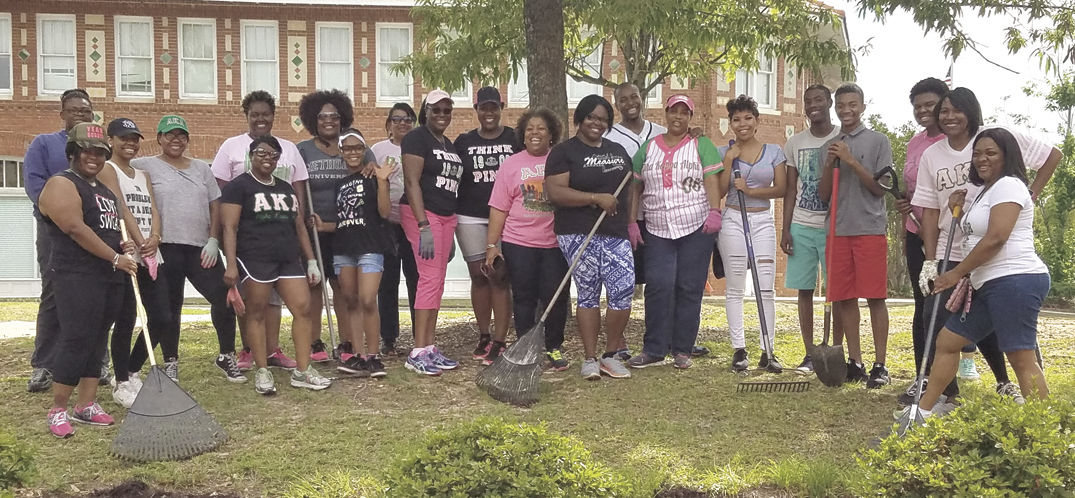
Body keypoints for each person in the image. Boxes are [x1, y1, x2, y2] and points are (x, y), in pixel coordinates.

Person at [912, 87, 1061, 402]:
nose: (981, 159)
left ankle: (1044, 430)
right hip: (981, 273)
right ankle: (928, 409)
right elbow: (954, 223)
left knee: (1020, 354)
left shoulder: (1007, 181)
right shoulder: (980, 189)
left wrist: (956, 273)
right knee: (948, 339)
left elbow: (996, 238)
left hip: (1011, 277)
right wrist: (952, 219)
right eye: (978, 154)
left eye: (990, 154)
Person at [38, 122, 138, 438]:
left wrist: (123, 246)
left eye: (99, 152)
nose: (93, 157)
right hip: (75, 275)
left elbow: (108, 229)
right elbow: (75, 229)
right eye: (87, 151)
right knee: (76, 337)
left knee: (98, 338)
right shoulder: (61, 183)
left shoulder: (104, 191)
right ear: (73, 152)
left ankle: (86, 405)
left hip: (108, 275)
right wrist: (114, 257)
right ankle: (58, 409)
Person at [132, 115, 243, 382]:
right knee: (171, 308)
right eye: (169, 134)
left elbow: (215, 204)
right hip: (164, 247)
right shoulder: (143, 166)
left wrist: (213, 240)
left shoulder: (201, 169)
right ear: (158, 138)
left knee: (224, 297)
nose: (175, 140)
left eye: (181, 135)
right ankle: (171, 360)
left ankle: (226, 354)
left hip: (199, 248)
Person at [220, 135, 332, 395]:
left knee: (302, 308)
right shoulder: (239, 186)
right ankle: (262, 370)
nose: (267, 158)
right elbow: (230, 226)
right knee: (256, 312)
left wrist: (312, 261)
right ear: (251, 156)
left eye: (273, 155)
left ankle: (303, 370)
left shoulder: (286, 187)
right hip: (254, 258)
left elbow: (299, 226)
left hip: (288, 257)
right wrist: (231, 264)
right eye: (261, 153)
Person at [211, 90, 310, 370]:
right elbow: (218, 191)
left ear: (273, 116)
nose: (260, 119)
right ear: (247, 116)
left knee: (277, 299)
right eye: (254, 114)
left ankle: (272, 349)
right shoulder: (231, 146)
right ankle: (249, 349)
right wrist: (217, 235)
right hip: (248, 237)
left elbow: (299, 191)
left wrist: (300, 227)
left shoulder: (289, 148)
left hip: (282, 234)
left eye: (265, 114)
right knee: (253, 298)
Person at [625, 95, 723, 370]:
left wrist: (715, 210)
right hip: (658, 227)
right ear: (665, 114)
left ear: (690, 117)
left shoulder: (701, 144)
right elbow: (636, 187)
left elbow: (711, 178)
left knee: (689, 287)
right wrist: (632, 221)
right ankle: (654, 348)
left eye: (684, 113)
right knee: (658, 285)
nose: (678, 117)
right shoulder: (648, 148)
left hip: (696, 225)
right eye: (674, 112)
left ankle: (683, 349)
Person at [24, 89, 108, 392]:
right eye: (74, 111)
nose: (80, 115)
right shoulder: (45, 144)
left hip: (95, 231)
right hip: (55, 232)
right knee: (54, 293)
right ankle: (45, 364)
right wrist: (62, 218)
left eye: (86, 111)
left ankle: (97, 363)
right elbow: (35, 185)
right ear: (62, 114)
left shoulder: (98, 148)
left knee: (98, 295)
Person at [546, 94, 634, 381]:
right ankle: (589, 358)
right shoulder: (564, 152)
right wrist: (596, 198)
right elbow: (555, 192)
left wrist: (629, 222)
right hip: (577, 232)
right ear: (580, 119)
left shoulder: (619, 150)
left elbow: (630, 188)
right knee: (588, 293)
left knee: (622, 290)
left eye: (603, 119)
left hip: (615, 232)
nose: (597, 123)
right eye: (591, 117)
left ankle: (610, 355)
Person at [818, 83, 894, 388]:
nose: (846, 110)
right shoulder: (830, 145)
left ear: (862, 107)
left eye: (852, 104)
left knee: (875, 297)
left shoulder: (878, 141)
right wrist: (830, 163)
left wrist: (851, 161)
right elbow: (824, 196)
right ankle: (856, 361)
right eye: (841, 105)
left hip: (869, 229)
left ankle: (880, 364)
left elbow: (880, 188)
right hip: (837, 232)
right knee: (845, 298)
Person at [96, 118, 174, 407]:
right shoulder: (108, 168)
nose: (130, 143)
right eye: (123, 138)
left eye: (134, 139)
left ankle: (131, 368)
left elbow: (153, 208)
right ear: (111, 140)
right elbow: (120, 206)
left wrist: (155, 236)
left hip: (152, 253)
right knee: (127, 318)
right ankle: (121, 381)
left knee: (162, 317)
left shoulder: (142, 174)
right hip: (128, 252)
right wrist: (140, 240)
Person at [296, 89, 378, 363]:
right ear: (313, 119)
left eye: (334, 116)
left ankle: (347, 342)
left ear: (342, 117)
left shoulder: (355, 146)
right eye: (322, 116)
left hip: (349, 230)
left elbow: (376, 175)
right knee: (315, 284)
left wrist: (371, 169)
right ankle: (315, 341)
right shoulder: (303, 150)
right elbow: (298, 186)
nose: (328, 120)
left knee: (343, 287)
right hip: (316, 228)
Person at [485, 108, 570, 371]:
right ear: (523, 135)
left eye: (541, 128)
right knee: (523, 298)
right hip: (519, 242)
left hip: (555, 244)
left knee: (555, 297)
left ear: (551, 134)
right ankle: (525, 348)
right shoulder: (511, 165)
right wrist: (491, 246)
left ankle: (554, 347)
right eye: (530, 129)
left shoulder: (560, 160)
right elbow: (499, 207)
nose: (535, 133)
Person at [309, 129, 394, 377]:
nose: (353, 153)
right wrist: (324, 226)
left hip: (370, 247)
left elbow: (385, 211)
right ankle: (357, 355)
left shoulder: (374, 176)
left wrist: (381, 181)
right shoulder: (340, 184)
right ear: (341, 153)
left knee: (368, 299)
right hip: (344, 249)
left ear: (364, 150)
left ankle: (374, 356)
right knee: (351, 301)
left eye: (358, 148)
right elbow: (346, 219)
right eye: (348, 149)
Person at [718, 95, 788, 373]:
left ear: (757, 121)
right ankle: (739, 349)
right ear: (731, 123)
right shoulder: (727, 151)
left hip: (761, 220)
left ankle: (768, 350)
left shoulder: (774, 151)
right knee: (735, 288)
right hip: (733, 219)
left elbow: (781, 189)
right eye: (736, 119)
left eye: (748, 118)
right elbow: (722, 191)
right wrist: (728, 162)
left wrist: (751, 190)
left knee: (765, 287)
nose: (742, 123)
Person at [893, 77, 952, 402]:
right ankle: (923, 376)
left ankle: (956, 380)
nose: (923, 111)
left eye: (929, 104)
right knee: (923, 306)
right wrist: (904, 203)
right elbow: (915, 190)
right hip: (917, 232)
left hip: (950, 237)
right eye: (917, 106)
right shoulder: (916, 143)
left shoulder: (954, 140)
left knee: (946, 309)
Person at [399, 89, 464, 376]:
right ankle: (417, 351)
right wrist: (423, 224)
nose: (441, 115)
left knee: (437, 282)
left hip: (446, 217)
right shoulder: (416, 138)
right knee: (428, 279)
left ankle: (429, 346)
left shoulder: (448, 144)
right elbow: (412, 183)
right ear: (425, 111)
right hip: (424, 215)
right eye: (435, 109)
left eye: (446, 110)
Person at [603, 83, 668, 360]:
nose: (630, 103)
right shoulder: (609, 137)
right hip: (623, 219)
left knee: (659, 281)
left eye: (635, 97)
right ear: (616, 104)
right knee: (621, 282)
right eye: (623, 99)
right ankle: (618, 340)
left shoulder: (663, 134)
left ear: (642, 99)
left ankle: (659, 340)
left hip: (658, 218)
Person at [781, 84, 842, 373]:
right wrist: (786, 228)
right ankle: (809, 354)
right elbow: (791, 189)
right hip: (802, 225)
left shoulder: (841, 137)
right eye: (808, 101)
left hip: (834, 226)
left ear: (830, 102)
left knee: (837, 291)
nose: (813, 105)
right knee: (804, 290)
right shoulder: (795, 142)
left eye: (819, 99)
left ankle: (837, 348)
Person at [454, 86, 516, 364]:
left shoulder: (514, 138)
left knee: (500, 276)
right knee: (479, 275)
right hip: (470, 215)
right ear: (476, 109)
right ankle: (484, 334)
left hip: (506, 216)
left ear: (502, 107)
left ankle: (501, 339)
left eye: (494, 107)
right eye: (483, 107)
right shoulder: (463, 142)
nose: (489, 112)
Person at [371, 103, 420, 355]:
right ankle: (388, 338)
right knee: (387, 283)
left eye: (408, 119)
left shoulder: (420, 147)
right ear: (389, 124)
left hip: (414, 223)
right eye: (397, 119)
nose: (403, 123)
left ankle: (418, 335)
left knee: (416, 280)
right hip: (387, 224)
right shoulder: (377, 150)